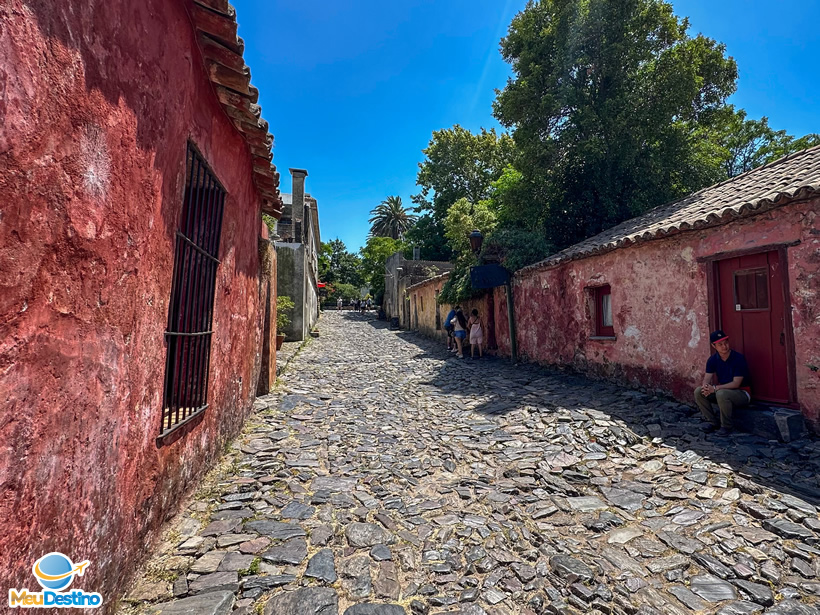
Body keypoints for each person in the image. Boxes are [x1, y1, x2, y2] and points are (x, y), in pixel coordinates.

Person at [694, 329, 751, 435]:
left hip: (741, 393)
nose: (724, 346)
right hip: (722, 391)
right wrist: (706, 387)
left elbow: (736, 383)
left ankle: (726, 426)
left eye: (726, 343)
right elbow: (707, 378)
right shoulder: (712, 360)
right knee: (698, 391)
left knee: (721, 393)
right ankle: (712, 421)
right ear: (713, 346)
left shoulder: (738, 358)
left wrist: (715, 388)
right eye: (720, 344)